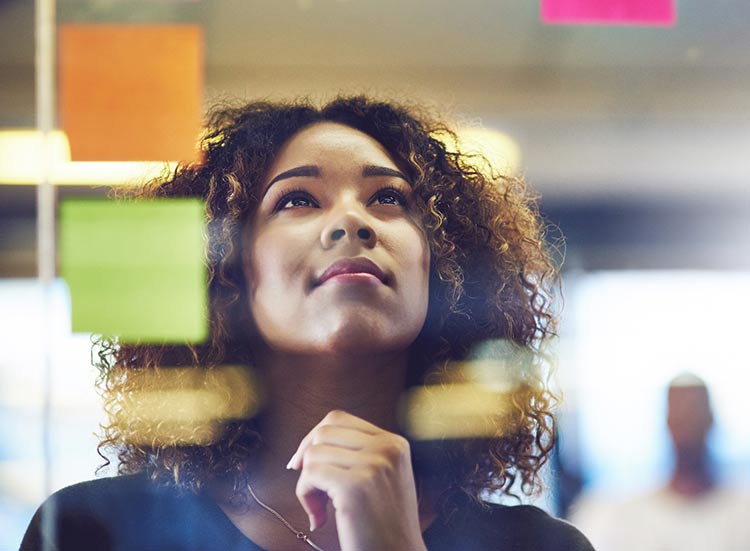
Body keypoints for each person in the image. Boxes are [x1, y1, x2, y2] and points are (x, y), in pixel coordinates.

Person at [21, 96, 594, 551]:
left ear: (440, 264)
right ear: (231, 272)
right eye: (298, 200)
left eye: (388, 198)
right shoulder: (92, 532)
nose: (352, 220)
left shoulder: (538, 546)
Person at [569, 373, 750, 550]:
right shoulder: (613, 513)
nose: (687, 426)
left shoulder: (742, 513)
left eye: (694, 413)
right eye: (679, 416)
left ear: (710, 420)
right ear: (667, 422)